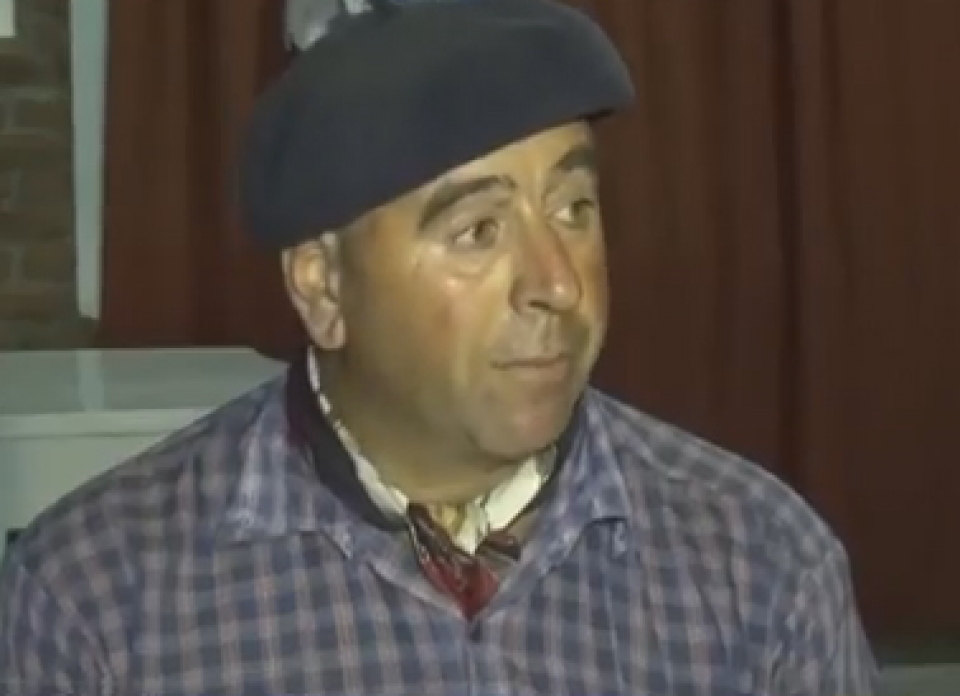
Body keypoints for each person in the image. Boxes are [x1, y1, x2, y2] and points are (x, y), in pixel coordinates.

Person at [0, 0, 879, 694]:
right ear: (324, 288)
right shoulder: (95, 603)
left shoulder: (763, 568)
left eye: (574, 209)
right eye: (477, 231)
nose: (557, 283)